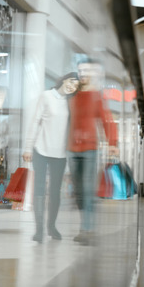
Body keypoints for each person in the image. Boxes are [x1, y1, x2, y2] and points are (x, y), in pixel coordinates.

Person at [23, 72, 79, 243]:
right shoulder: (46, 96)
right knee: (39, 189)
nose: (72, 86)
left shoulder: (71, 102)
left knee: (55, 192)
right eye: (71, 81)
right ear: (64, 79)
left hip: (60, 154)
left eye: (76, 85)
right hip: (41, 149)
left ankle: (51, 227)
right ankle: (39, 229)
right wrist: (28, 147)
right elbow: (35, 122)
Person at [68, 58, 118, 245]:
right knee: (79, 191)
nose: (83, 74)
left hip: (90, 148)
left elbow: (107, 120)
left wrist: (112, 142)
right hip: (71, 148)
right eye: (80, 70)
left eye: (87, 71)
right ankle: (85, 225)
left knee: (88, 189)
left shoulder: (97, 96)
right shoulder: (71, 94)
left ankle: (87, 229)